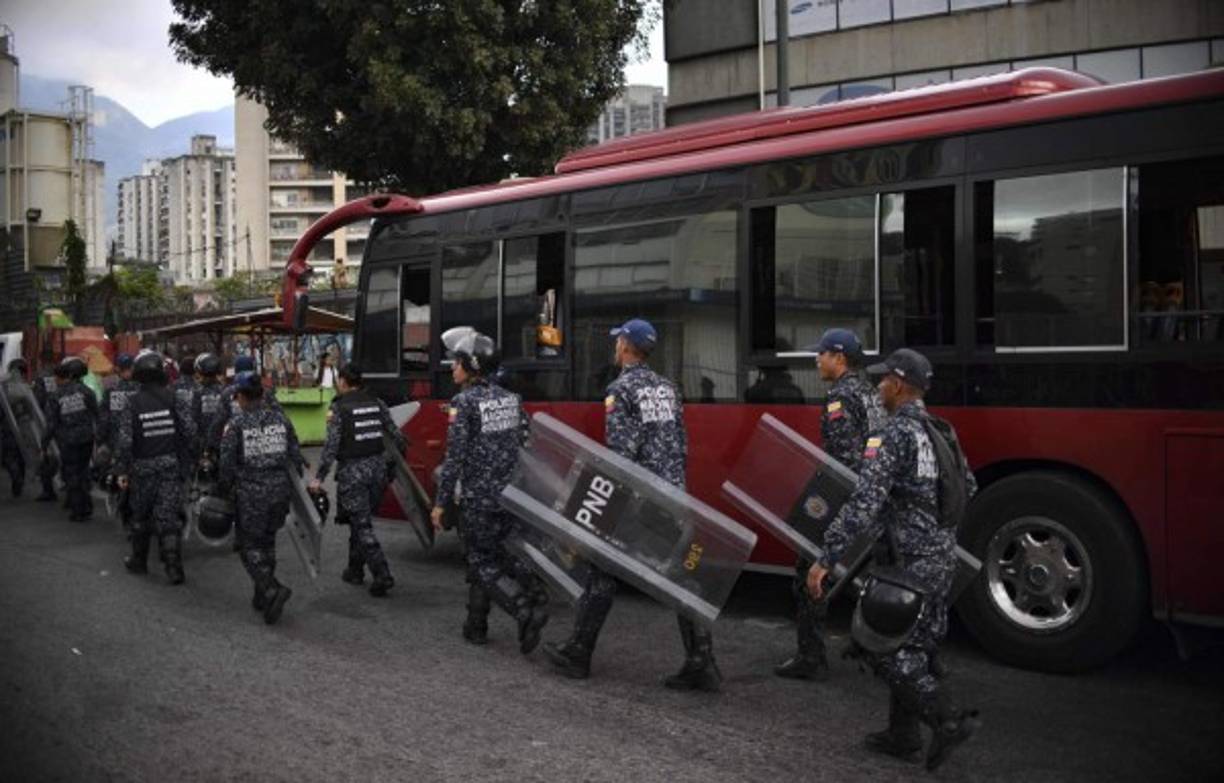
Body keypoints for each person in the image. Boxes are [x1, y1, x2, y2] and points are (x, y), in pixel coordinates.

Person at [806, 348, 979, 771]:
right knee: (916, 644)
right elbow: (967, 486)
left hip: (906, 563)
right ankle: (902, 735)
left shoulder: (893, 434)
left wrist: (826, 559)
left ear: (899, 386)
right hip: (941, 557)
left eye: (884, 380)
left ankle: (946, 718)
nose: (879, 386)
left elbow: (864, 502)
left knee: (877, 647)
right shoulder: (942, 430)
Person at [543, 318, 720, 690]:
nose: (615, 346)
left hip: (639, 498)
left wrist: (604, 504)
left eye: (617, 341)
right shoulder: (668, 388)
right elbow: (682, 444)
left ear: (625, 345)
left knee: (600, 569)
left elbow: (621, 455)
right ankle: (702, 661)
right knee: (680, 576)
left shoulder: (620, 389)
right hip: (672, 493)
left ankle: (578, 653)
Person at [429, 329, 548, 651]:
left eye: (456, 362)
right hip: (509, 494)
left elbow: (454, 458)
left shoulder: (464, 402)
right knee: (493, 556)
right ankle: (476, 623)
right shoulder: (511, 399)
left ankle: (523, 608)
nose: (452, 368)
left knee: (481, 561)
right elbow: (525, 442)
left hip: (478, 498)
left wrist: (440, 505)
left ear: (471, 365)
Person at [775, 328, 882, 681]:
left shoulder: (839, 396)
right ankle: (877, 651)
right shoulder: (869, 391)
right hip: (873, 494)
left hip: (844, 499)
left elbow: (842, 461)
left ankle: (811, 657)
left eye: (821, 354)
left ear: (839, 357)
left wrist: (827, 507)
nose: (817, 360)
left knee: (809, 574)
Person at [218, 371, 305, 624]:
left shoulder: (236, 425)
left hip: (252, 494)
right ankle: (261, 596)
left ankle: (271, 589)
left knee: (248, 547)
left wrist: (226, 489)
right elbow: (295, 453)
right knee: (267, 543)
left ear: (243, 397)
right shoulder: (281, 419)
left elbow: (226, 464)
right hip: (280, 491)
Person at [310, 362, 402, 597]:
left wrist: (319, 477)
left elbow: (331, 447)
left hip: (354, 474)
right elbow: (397, 436)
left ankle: (382, 573)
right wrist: (389, 467)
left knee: (361, 525)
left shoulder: (339, 408)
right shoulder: (377, 402)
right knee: (358, 521)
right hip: (377, 472)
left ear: (342, 381)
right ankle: (354, 569)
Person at [116, 351, 191, 584]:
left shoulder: (132, 402)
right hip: (170, 466)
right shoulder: (175, 398)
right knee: (168, 518)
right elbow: (189, 431)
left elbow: (126, 440)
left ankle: (139, 561)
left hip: (142, 469)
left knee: (141, 517)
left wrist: (121, 470)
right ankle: (174, 568)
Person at [43, 356, 98, 522]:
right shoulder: (87, 392)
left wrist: (44, 443)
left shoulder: (56, 396)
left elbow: (51, 424)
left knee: (71, 474)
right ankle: (86, 507)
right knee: (82, 471)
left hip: (68, 441)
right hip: (87, 439)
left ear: (62, 377)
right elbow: (96, 414)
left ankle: (78, 510)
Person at [96, 353, 138, 528]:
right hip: (137, 442)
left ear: (118, 370)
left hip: (116, 443)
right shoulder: (139, 389)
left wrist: (101, 440)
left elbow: (103, 419)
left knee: (121, 477)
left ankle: (125, 514)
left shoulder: (110, 391)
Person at [31, 363, 59, 503]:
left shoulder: (40, 378)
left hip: (46, 421)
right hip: (63, 423)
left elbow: (37, 401)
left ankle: (48, 490)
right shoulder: (60, 375)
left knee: (45, 455)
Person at [1, 358, 29, 497]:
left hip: (7, 426)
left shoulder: (4, 386)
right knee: (21, 455)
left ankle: (16, 476)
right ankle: (19, 480)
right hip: (24, 425)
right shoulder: (26, 386)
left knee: (9, 455)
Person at [190, 353, 225, 463]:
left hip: (205, 444)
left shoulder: (198, 392)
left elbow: (194, 417)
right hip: (224, 441)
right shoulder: (225, 391)